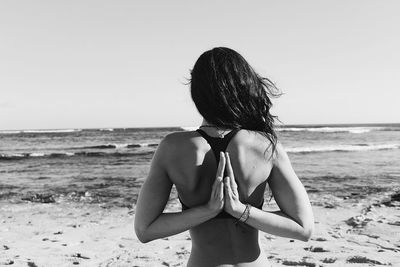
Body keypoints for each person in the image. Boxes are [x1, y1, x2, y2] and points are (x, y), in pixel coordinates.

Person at [134, 47, 314, 266]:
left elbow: (145, 230)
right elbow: (303, 228)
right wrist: (240, 211)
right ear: (244, 87)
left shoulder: (173, 147)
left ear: (197, 93)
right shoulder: (264, 145)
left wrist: (208, 211)